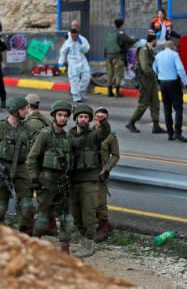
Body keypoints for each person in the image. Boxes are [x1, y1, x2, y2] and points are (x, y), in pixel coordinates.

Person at [0, 96, 34, 235]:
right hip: (3, 169)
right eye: (23, 109)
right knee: (0, 208)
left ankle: (25, 231)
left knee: (28, 205)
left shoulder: (27, 128)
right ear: (15, 111)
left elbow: (34, 151)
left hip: (22, 169)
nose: (26, 112)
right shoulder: (0, 128)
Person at [27, 100, 74, 253]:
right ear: (54, 116)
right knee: (43, 216)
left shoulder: (67, 138)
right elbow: (32, 158)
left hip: (63, 183)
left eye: (65, 116)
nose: (63, 118)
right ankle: (34, 247)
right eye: (60, 115)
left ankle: (64, 250)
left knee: (67, 218)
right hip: (46, 182)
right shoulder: (45, 135)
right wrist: (34, 179)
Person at [68, 104, 110, 258]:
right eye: (81, 116)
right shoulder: (69, 137)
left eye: (86, 117)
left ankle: (89, 245)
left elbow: (104, 132)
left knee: (89, 216)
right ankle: (83, 242)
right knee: (77, 216)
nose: (83, 119)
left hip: (90, 181)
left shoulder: (93, 136)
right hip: (73, 181)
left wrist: (103, 121)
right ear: (76, 119)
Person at [126, 32, 166, 134]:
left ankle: (156, 125)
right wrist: (156, 74)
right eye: (156, 40)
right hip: (145, 81)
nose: (156, 42)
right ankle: (131, 123)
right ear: (153, 40)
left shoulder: (149, 50)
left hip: (150, 80)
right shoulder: (144, 50)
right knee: (143, 103)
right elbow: (145, 67)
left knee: (155, 103)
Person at [153, 40, 187, 142]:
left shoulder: (159, 55)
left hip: (162, 83)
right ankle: (178, 132)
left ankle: (170, 133)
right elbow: (180, 69)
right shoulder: (175, 55)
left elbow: (154, 68)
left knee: (167, 108)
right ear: (173, 46)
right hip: (173, 83)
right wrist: (185, 82)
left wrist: (160, 75)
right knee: (178, 108)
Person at [94, 107, 120, 243]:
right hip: (87, 171)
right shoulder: (87, 132)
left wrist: (107, 168)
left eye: (103, 117)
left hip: (101, 173)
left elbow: (115, 155)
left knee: (100, 201)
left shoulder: (110, 136)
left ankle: (103, 226)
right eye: (98, 116)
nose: (100, 119)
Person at [104, 18, 138, 97]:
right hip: (117, 56)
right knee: (118, 73)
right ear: (122, 24)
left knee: (110, 73)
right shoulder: (121, 33)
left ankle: (109, 92)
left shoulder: (110, 33)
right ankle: (117, 92)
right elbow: (129, 41)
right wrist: (136, 39)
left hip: (108, 56)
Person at [58, 28, 91, 103]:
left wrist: (81, 45)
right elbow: (62, 52)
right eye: (73, 36)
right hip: (73, 62)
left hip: (82, 61)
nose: (74, 38)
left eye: (75, 36)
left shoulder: (82, 39)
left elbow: (87, 49)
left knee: (87, 76)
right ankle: (76, 96)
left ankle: (82, 92)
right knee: (74, 80)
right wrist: (60, 63)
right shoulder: (68, 42)